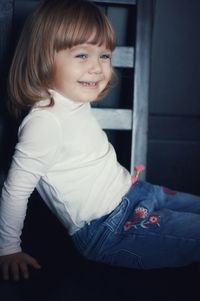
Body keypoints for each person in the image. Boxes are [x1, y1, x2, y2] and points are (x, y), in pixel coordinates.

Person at [0, 0, 200, 282]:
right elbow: (15, 191)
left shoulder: (73, 97)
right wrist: (8, 248)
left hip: (136, 194)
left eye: (104, 55)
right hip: (110, 230)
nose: (97, 67)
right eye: (82, 55)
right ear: (42, 59)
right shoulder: (45, 123)